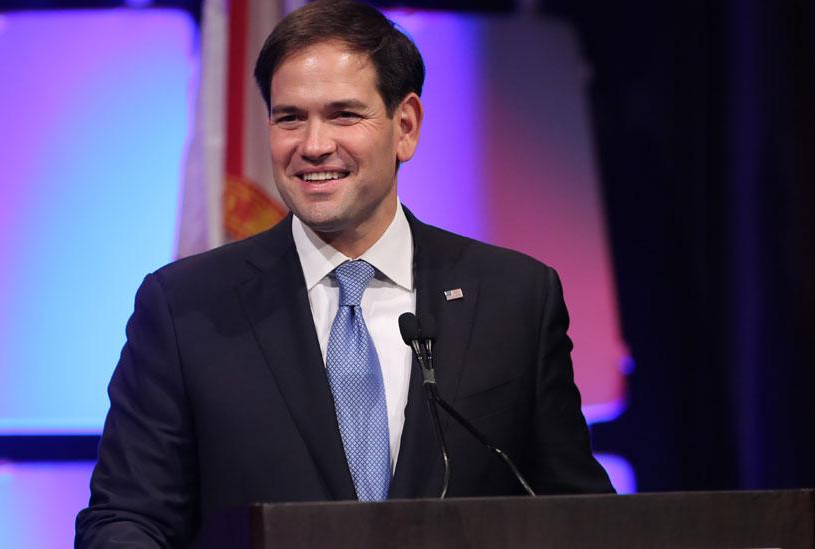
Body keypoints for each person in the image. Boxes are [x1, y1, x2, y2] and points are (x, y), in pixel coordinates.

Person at [75, 1, 613, 547]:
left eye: (343, 115)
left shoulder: (514, 298)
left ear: (405, 126)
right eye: (290, 118)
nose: (312, 146)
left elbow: (577, 513)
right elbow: (127, 516)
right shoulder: (184, 308)